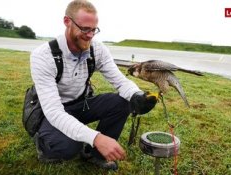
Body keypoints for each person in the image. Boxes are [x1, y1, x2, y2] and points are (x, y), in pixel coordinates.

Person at [30, 0, 157, 171]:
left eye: (94, 29)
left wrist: (136, 95)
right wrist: (96, 137)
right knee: (69, 147)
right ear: (67, 21)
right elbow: (53, 111)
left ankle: (95, 154)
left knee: (121, 102)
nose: (90, 35)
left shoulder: (97, 49)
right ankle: (45, 144)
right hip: (53, 111)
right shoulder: (42, 56)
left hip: (81, 104)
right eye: (84, 29)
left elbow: (120, 81)